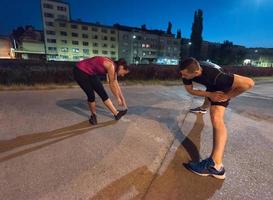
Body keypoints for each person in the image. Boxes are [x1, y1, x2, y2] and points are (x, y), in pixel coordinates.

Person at [179, 57, 255, 179]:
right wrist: (209, 94)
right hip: (211, 85)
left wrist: (227, 96)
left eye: (184, 74)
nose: (181, 75)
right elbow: (190, 90)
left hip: (221, 87)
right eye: (181, 73)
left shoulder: (218, 77)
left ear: (196, 73)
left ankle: (216, 166)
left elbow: (250, 83)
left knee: (216, 118)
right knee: (209, 92)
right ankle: (203, 107)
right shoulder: (188, 70)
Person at [73, 56, 129, 125]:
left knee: (102, 92)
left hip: (91, 73)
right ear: (121, 67)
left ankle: (116, 114)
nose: (123, 75)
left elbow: (116, 83)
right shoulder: (111, 66)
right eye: (124, 73)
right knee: (91, 95)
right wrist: (117, 98)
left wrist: (122, 98)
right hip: (80, 71)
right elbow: (111, 85)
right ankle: (93, 116)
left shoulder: (114, 68)